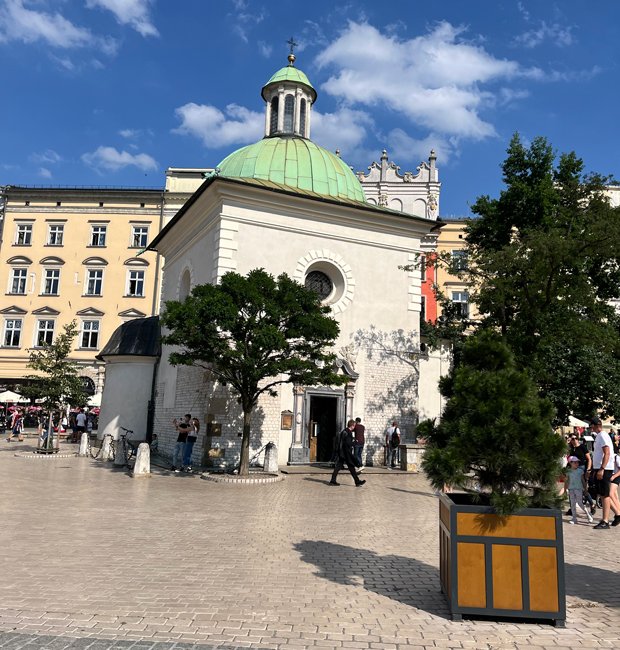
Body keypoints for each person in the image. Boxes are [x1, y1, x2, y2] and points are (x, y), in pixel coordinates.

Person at [590, 417, 620, 529]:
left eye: (591, 425)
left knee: (605, 495)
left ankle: (605, 521)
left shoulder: (602, 435)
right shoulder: (600, 436)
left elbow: (606, 453)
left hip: (604, 469)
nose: (590, 428)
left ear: (595, 425)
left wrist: (602, 469)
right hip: (600, 468)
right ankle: (616, 515)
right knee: (603, 495)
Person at [329, 419, 366, 487]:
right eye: (354, 426)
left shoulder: (345, 431)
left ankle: (333, 480)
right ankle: (357, 482)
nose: (354, 427)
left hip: (343, 453)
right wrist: (355, 442)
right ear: (352, 425)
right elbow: (347, 443)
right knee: (347, 466)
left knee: (345, 467)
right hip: (345, 453)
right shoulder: (347, 432)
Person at [567, 433, 596, 515]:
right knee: (571, 488)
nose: (574, 440)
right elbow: (570, 459)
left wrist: (588, 469)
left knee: (582, 488)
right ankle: (572, 508)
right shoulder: (571, 448)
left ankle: (592, 504)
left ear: (578, 438)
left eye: (575, 438)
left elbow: (589, 459)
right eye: (572, 439)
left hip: (581, 468)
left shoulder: (582, 447)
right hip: (572, 469)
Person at [565, 456, 594, 524]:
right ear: (570, 463)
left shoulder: (580, 471)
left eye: (577, 462)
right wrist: (565, 489)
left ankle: (588, 514)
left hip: (578, 489)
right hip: (571, 489)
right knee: (572, 504)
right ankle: (574, 518)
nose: (577, 464)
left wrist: (585, 489)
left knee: (580, 503)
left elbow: (583, 480)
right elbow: (567, 480)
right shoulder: (568, 471)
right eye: (575, 462)